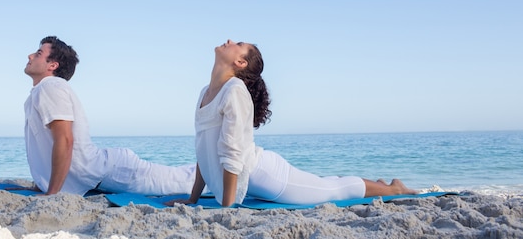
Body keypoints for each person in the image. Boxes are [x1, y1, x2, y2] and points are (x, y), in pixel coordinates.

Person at [168, 39, 417, 207]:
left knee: (332, 191)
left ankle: (395, 189)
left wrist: (227, 208)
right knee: (326, 184)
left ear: (240, 63)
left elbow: (232, 154)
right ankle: (380, 184)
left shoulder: (235, 90)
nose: (230, 41)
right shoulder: (204, 92)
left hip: (268, 176)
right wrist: (193, 198)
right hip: (253, 178)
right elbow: (203, 149)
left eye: (238, 45)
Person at [23, 35, 196, 195]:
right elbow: (44, 145)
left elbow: (65, 140)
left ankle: (217, 168)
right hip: (101, 175)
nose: (30, 56)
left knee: (185, 182)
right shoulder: (41, 91)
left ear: (52, 65)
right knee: (184, 177)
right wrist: (41, 183)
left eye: (38, 53)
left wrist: (52, 195)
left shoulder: (50, 87)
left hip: (115, 172)